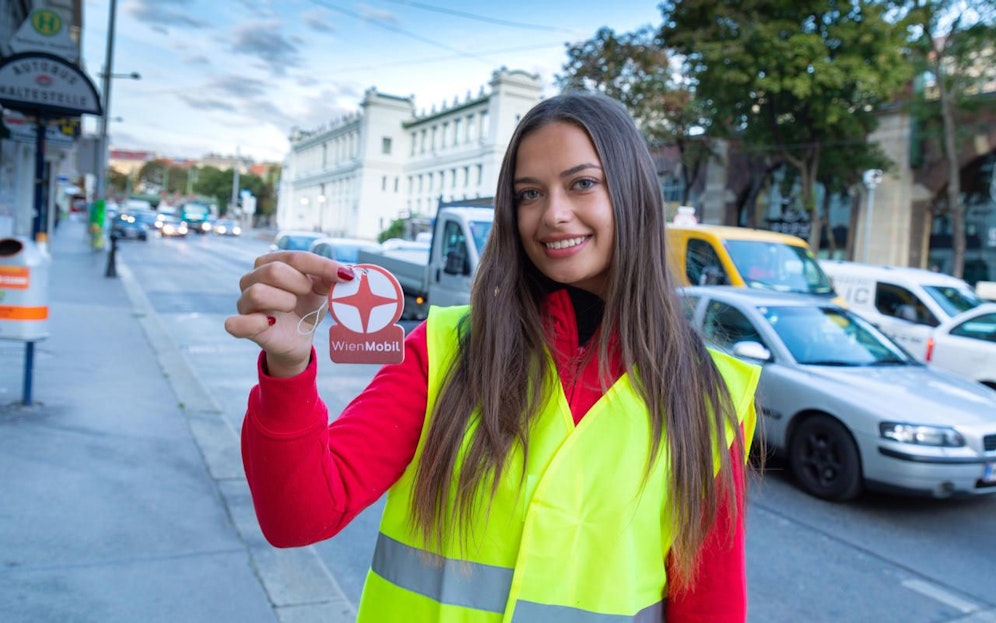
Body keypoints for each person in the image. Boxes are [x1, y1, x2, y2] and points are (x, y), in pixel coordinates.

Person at [226, 91, 761, 622]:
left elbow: (710, 608)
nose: (553, 214)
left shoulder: (709, 396)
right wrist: (288, 370)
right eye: (529, 194)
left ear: (634, 194)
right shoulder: (444, 350)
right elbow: (298, 517)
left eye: (582, 184)